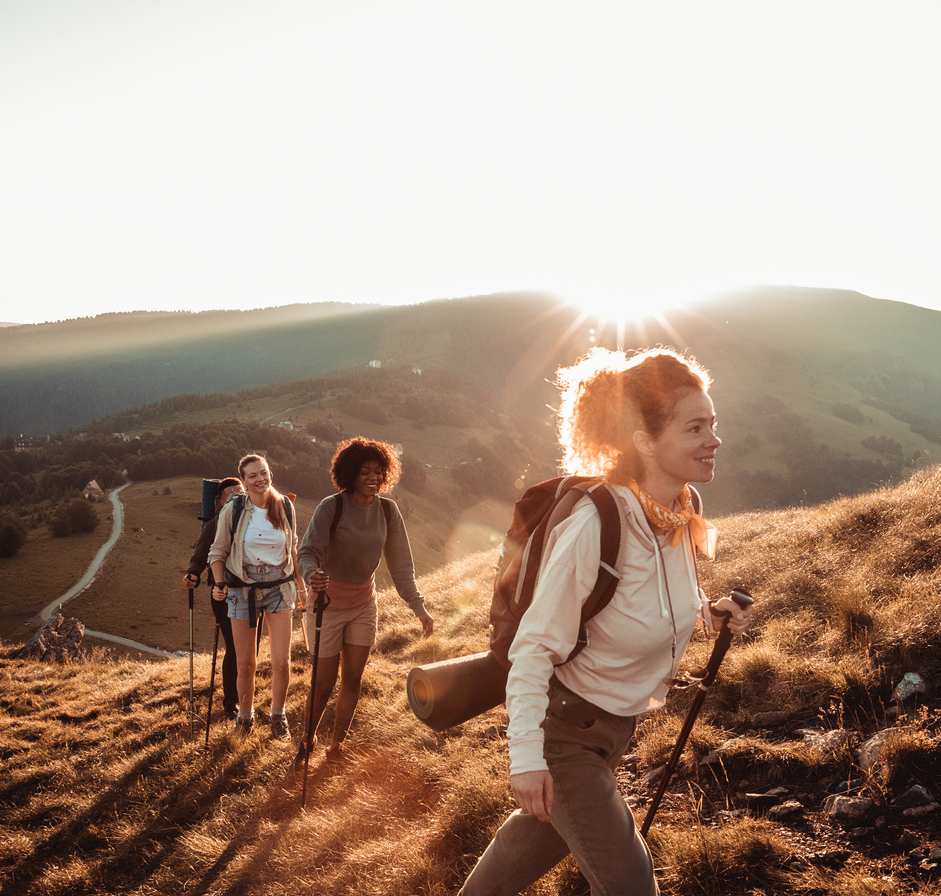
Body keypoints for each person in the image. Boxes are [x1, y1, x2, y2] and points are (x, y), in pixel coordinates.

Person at [458, 347, 754, 896]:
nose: (714, 439)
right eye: (695, 427)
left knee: (528, 850)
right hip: (565, 732)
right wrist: (525, 758)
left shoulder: (676, 512)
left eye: (713, 423)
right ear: (644, 439)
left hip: (612, 731)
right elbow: (533, 649)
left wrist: (707, 613)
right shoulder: (597, 522)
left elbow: (650, 597)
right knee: (631, 885)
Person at [297, 436, 434, 760]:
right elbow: (308, 551)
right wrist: (311, 574)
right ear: (349, 474)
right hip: (326, 605)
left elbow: (401, 565)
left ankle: (336, 745)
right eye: (364, 472)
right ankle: (308, 739)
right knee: (323, 683)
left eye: (377, 471)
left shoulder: (388, 511)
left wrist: (419, 608)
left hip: (363, 605)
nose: (372, 478)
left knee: (353, 678)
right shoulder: (333, 506)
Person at [208, 454, 303, 739]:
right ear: (245, 482)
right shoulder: (234, 509)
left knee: (281, 661)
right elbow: (217, 552)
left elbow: (293, 548)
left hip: (279, 587)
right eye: (253, 476)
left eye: (264, 472)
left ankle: (278, 717)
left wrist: (302, 586)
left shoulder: (285, 505)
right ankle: (245, 717)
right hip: (242, 589)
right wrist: (219, 581)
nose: (260, 479)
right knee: (245, 663)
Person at [183, 475, 244, 721]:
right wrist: (192, 574)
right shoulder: (215, 524)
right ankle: (231, 705)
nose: (238, 497)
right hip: (222, 592)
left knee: (248, 650)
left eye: (241, 492)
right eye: (232, 494)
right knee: (236, 650)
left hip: (253, 593)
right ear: (220, 501)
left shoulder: (251, 520)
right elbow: (199, 556)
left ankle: (241, 698)